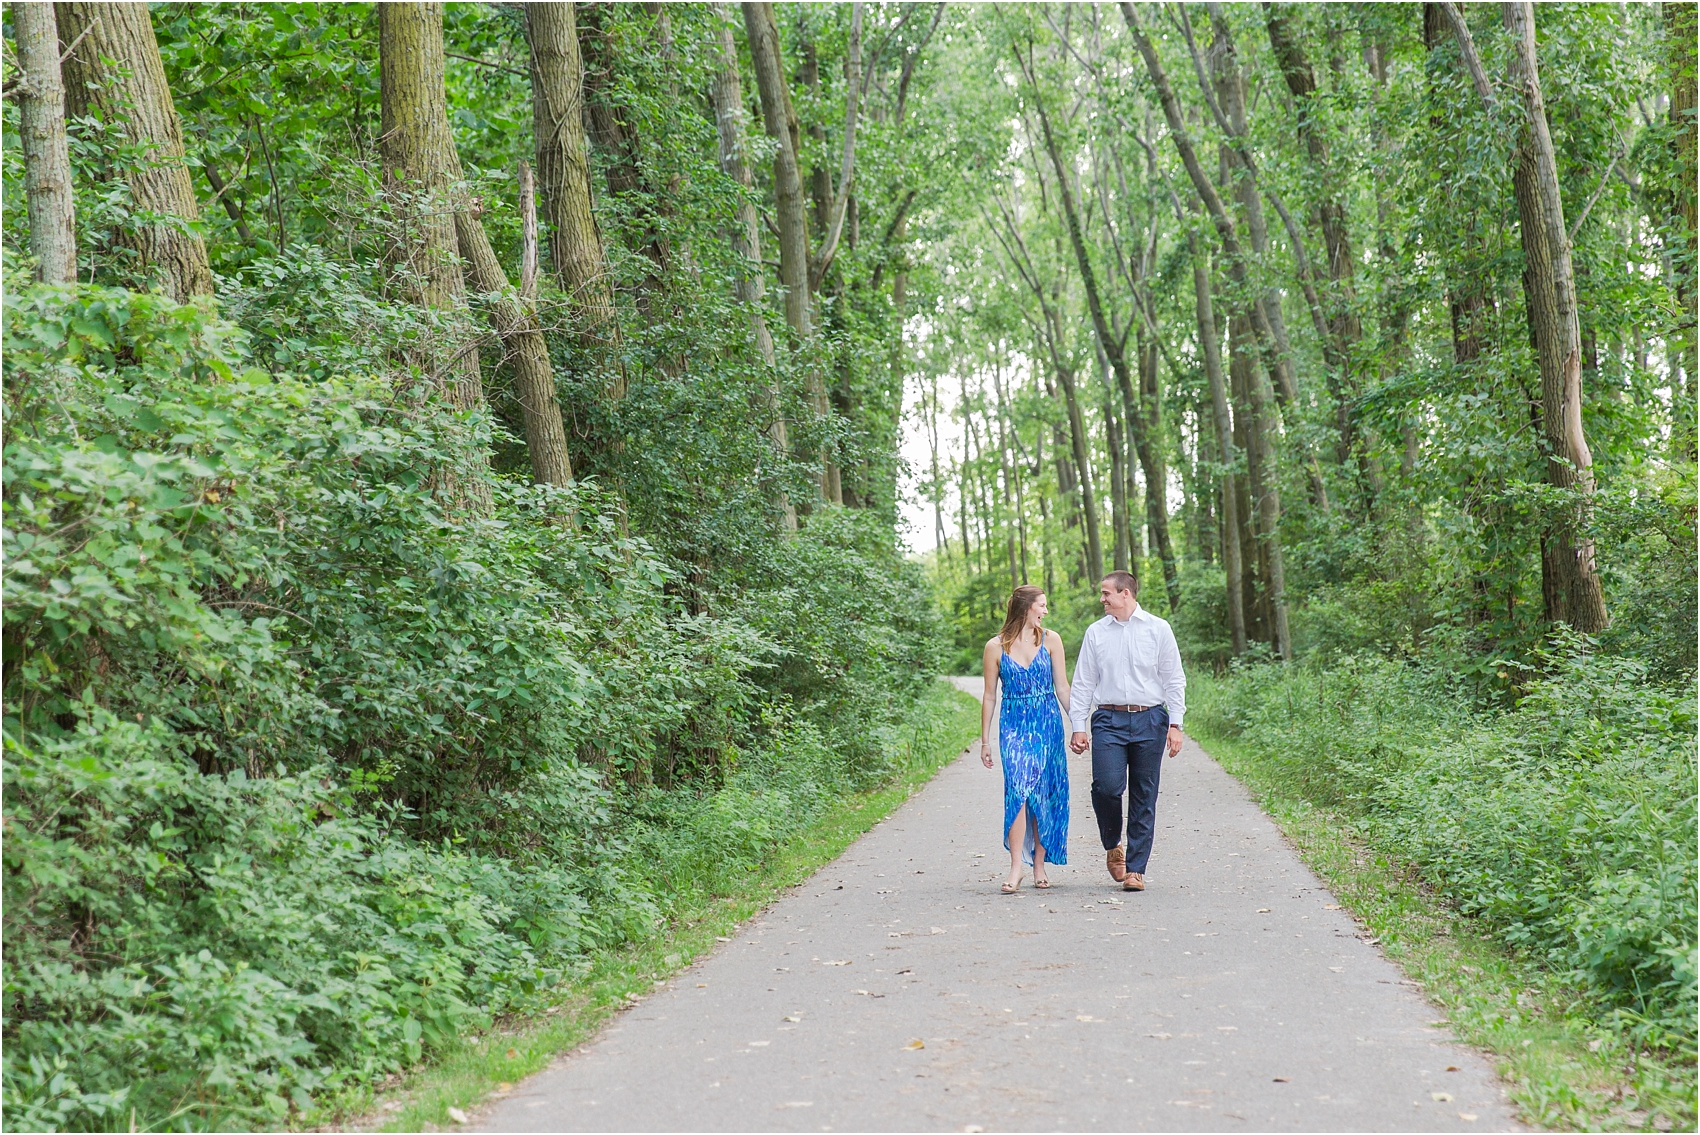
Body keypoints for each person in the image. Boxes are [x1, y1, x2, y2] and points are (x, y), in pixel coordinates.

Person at [1068, 570, 1186, 892]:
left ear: (1126, 594)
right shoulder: (1096, 633)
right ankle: (1113, 844)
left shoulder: (1158, 629)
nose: (1102, 599)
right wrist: (1078, 726)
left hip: (1150, 719)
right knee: (1106, 787)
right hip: (1108, 719)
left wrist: (1175, 724)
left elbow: (1174, 678)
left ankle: (1136, 869)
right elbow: (1083, 682)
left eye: (1106, 593)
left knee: (1143, 794)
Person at [979, 585, 1071, 893]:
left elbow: (1063, 689)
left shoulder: (1052, 640)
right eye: (1041, 606)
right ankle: (1016, 866)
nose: (1045, 611)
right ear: (1025, 608)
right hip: (1014, 725)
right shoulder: (995, 646)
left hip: (1048, 724)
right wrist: (985, 740)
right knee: (1017, 791)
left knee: (1044, 792)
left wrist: (1081, 725)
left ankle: (1040, 866)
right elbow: (990, 696)